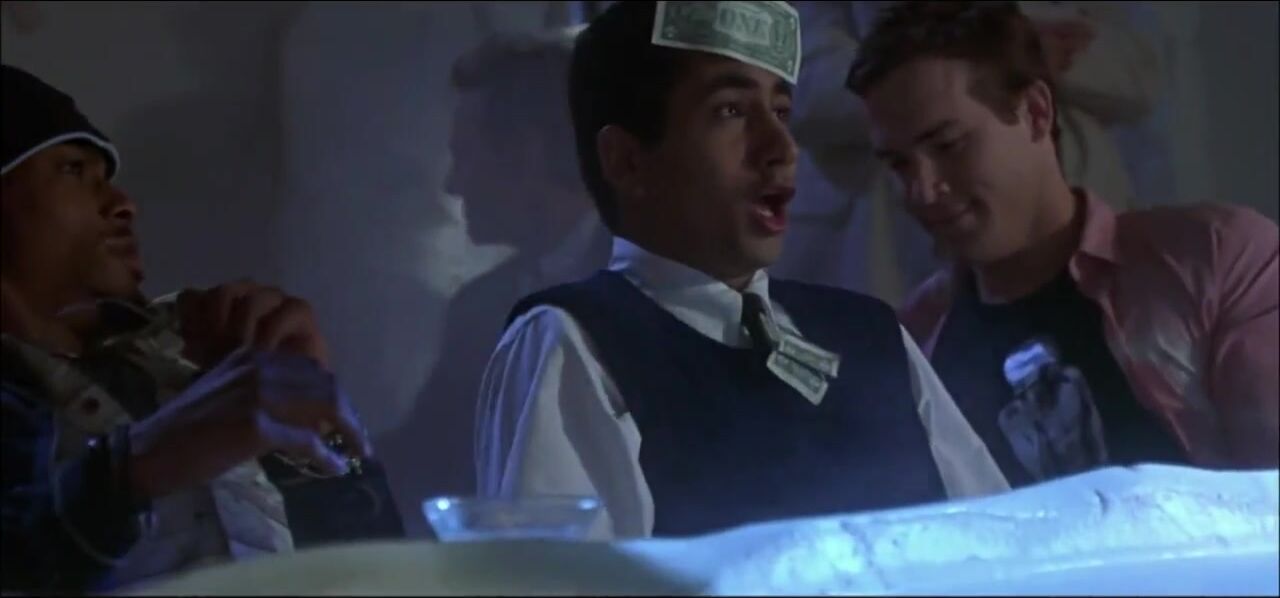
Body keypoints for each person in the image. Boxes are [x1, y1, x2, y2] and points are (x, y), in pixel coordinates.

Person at [474, 0, 1010, 541]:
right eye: (730, 111)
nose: (782, 149)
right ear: (626, 160)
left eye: (781, 111)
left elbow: (1001, 540)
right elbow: (557, 572)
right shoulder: (576, 343)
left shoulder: (871, 333)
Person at [1, 64, 402, 594]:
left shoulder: (188, 365)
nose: (123, 204)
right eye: (74, 170)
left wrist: (312, 437)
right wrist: (127, 471)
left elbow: (379, 576)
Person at [845, 2, 1279, 487]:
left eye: (948, 145)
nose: (922, 191)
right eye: (900, 164)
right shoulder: (913, 345)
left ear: (1035, 112)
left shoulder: (1213, 260)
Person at [378, 27, 611, 538]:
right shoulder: (479, 306)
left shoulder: (656, 283)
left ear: (526, 153)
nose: (453, 183)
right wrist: (322, 431)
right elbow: (421, 463)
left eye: (465, 155)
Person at [783, 1, 1162, 307]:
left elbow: (1142, 70)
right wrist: (945, 64)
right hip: (908, 243)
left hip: (1079, 207)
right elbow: (802, 79)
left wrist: (1017, 50)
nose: (924, 190)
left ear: (1037, 110)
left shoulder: (1182, 270)